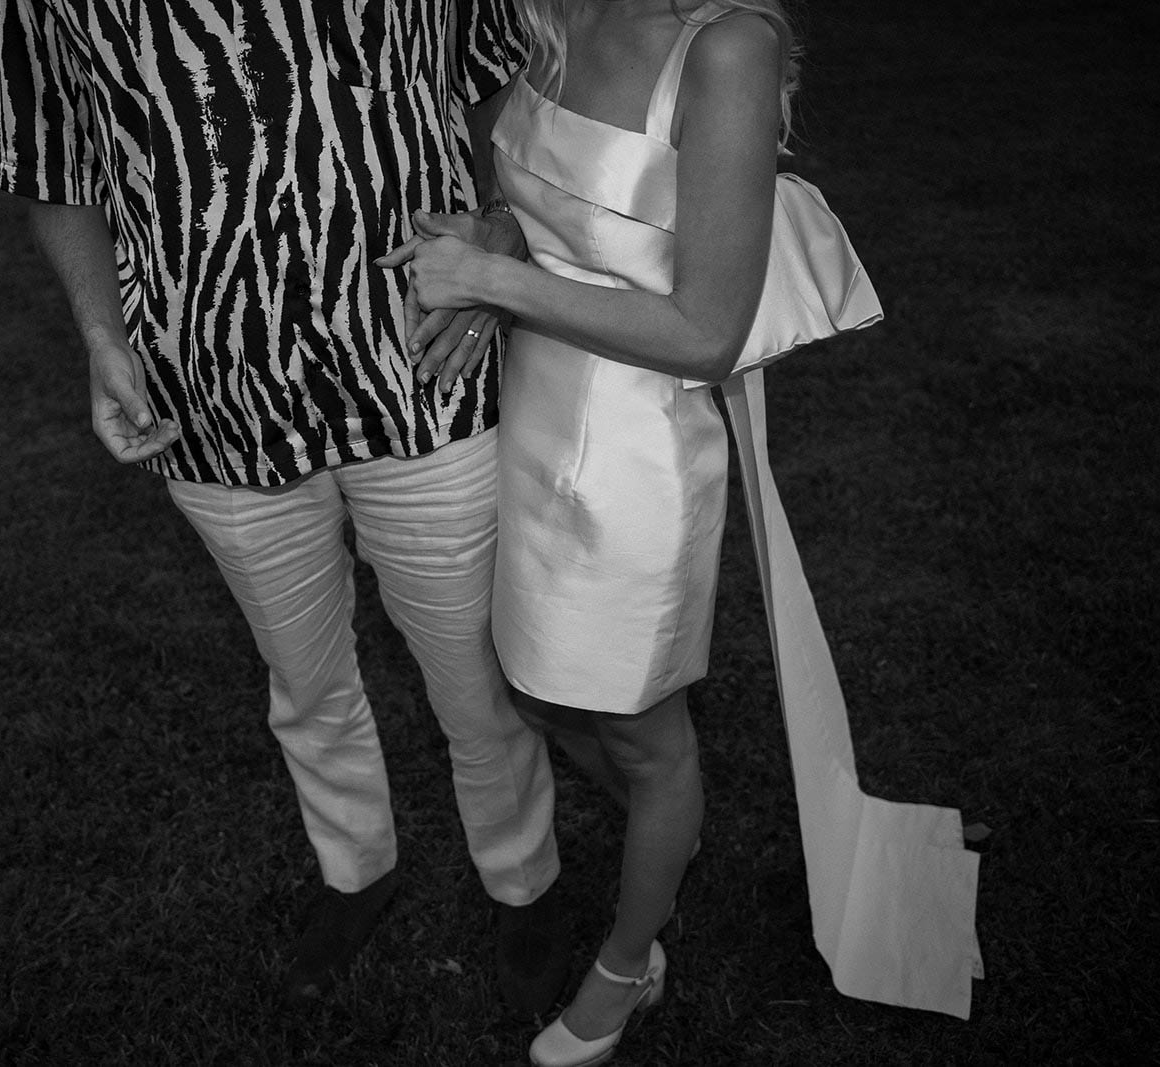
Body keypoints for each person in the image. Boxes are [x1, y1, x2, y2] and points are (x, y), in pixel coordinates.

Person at [0, 0, 572, 1014]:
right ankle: (356, 867)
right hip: (208, 389)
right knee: (302, 672)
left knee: (478, 671)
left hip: (420, 365)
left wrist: (503, 231)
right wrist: (100, 334)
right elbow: (58, 164)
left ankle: (523, 877)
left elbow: (511, 83)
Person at [380, 0, 801, 1061]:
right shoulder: (558, 15)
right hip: (533, 415)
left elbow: (706, 332)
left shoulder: (725, 48)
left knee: (645, 732)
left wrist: (489, 280)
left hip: (634, 457)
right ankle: (675, 832)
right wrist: (497, 235)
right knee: (540, 690)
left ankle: (626, 963)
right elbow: (562, 201)